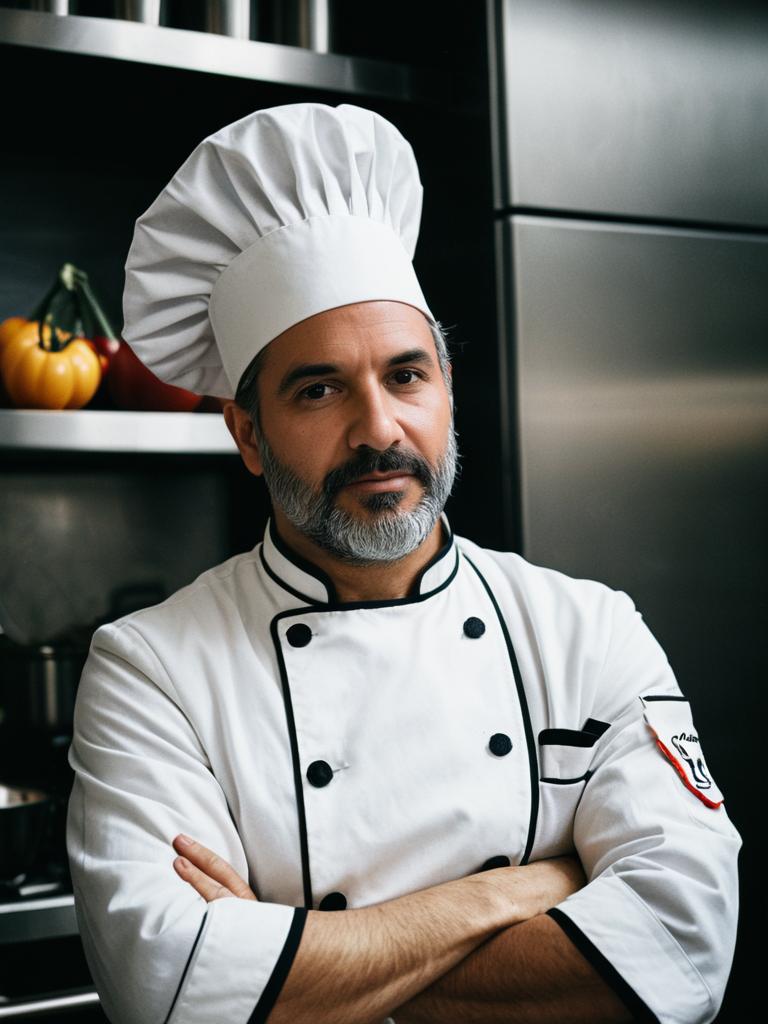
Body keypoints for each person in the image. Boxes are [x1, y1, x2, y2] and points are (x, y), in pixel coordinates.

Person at [66, 103, 741, 1024]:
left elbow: (687, 949)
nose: (379, 429)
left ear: (447, 391)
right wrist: (512, 892)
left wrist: (292, 953)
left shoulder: (587, 630)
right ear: (248, 434)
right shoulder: (153, 669)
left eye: (406, 375)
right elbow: (169, 992)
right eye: (318, 389)